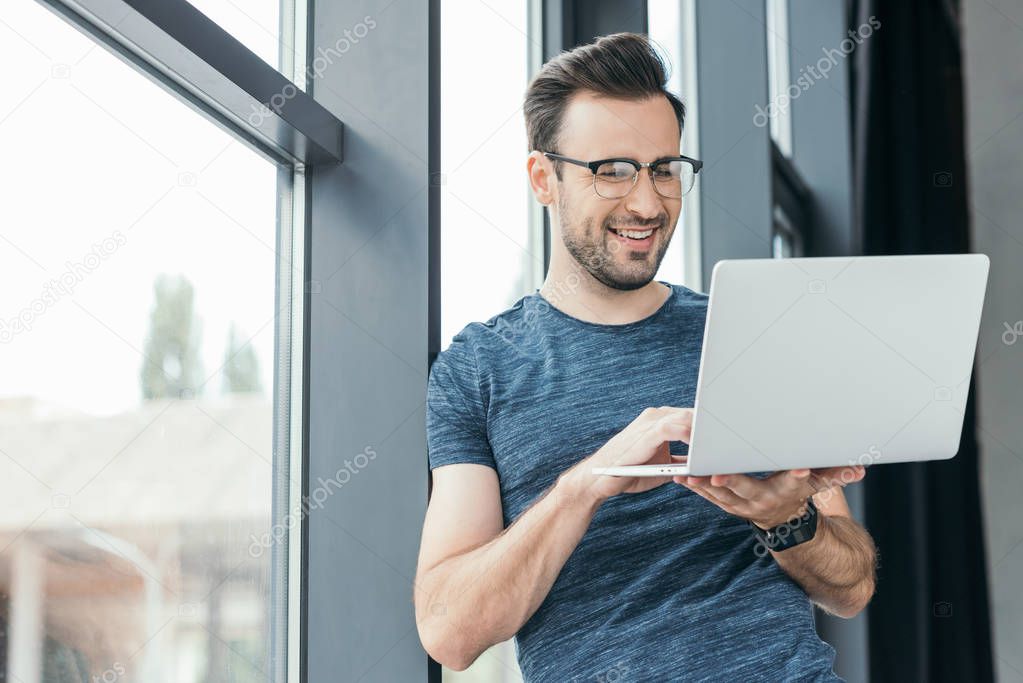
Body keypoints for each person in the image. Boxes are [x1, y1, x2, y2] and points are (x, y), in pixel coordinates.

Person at [415, 32, 877, 682]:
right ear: (542, 178)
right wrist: (585, 485)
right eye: (612, 170)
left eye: (663, 168)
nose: (646, 202)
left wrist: (783, 516)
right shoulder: (477, 370)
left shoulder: (745, 334)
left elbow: (849, 587)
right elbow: (449, 632)